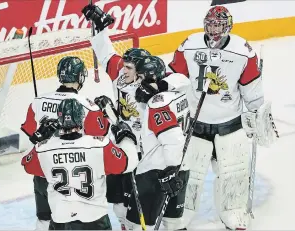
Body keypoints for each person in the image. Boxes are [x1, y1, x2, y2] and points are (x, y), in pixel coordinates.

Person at [167, 5, 278, 230]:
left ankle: (234, 212)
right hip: (195, 125)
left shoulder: (242, 51)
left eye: (218, 25)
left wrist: (258, 114)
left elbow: (252, 89)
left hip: (229, 124)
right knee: (190, 174)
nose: (213, 30)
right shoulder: (189, 45)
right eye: (210, 24)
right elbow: (175, 80)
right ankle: (180, 214)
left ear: (228, 26)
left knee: (234, 172)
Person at [82, 5, 191, 229]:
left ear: (142, 72)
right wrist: (100, 29)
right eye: (124, 66)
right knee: (120, 205)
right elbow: (105, 54)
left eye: (129, 68)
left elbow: (183, 80)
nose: (123, 70)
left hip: (148, 150)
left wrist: (160, 85)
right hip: (124, 143)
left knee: (146, 206)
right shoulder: (120, 75)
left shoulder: (157, 86)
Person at [20, 56, 110, 230]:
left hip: (44, 169)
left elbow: (32, 134)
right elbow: (99, 139)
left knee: (44, 219)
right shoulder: (87, 105)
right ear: (80, 77)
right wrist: (104, 115)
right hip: (75, 176)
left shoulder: (37, 102)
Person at [21, 98, 139, 230]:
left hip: (61, 221)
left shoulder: (43, 149)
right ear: (82, 118)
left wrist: (37, 139)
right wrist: (126, 138)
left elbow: (26, 163)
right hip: (95, 220)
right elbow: (131, 163)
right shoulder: (99, 145)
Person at [119, 55, 190, 230]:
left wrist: (170, 171)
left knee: (137, 225)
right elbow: (182, 79)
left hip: (158, 172)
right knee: (173, 223)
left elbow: (173, 139)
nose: (138, 81)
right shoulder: (179, 92)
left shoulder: (157, 104)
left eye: (141, 77)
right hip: (182, 166)